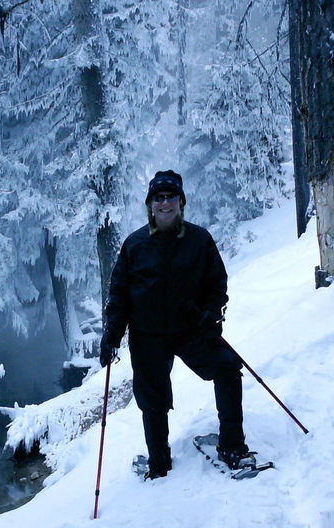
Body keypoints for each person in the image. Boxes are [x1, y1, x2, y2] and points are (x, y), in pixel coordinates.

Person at [99, 169, 252, 479]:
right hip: (147, 335)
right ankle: (159, 462)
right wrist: (112, 335)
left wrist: (212, 312)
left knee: (226, 368)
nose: (165, 203)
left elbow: (217, 283)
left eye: (171, 197)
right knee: (152, 398)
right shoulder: (134, 245)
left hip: (191, 330)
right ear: (150, 204)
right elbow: (119, 295)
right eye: (159, 197)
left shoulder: (200, 240)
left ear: (181, 202)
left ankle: (232, 446)